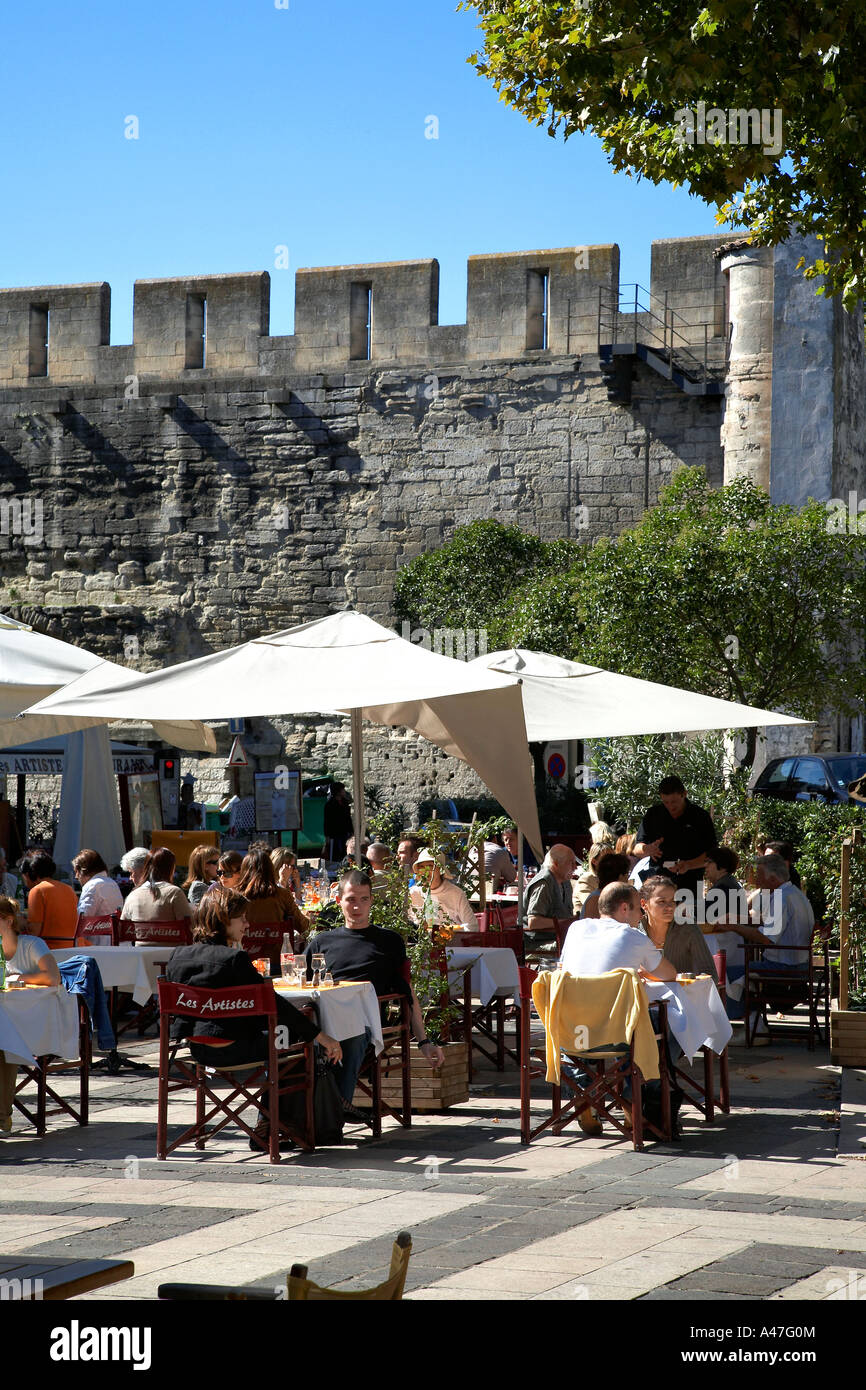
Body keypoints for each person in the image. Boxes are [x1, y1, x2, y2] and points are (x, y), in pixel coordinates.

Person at [165, 890, 342, 1151]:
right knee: (294, 1046)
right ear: (222, 920)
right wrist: (320, 1035)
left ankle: (271, 1124)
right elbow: (274, 1004)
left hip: (197, 1051)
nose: (247, 924)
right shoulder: (234, 960)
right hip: (235, 1048)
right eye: (241, 918)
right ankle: (279, 1126)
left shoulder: (178, 956)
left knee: (283, 1040)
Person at [304, 870, 444, 1120]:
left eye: (363, 899)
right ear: (339, 901)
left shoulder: (388, 941)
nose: (356, 906)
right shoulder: (321, 942)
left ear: (371, 901)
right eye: (350, 899)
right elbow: (303, 985)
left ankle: (333, 1113)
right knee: (284, 1040)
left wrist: (423, 1041)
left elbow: (406, 992)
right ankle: (282, 1119)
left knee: (352, 1035)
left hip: (364, 1023)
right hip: (321, 1022)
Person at [560, 882, 677, 1134]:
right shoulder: (632, 936)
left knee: (576, 1043)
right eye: (638, 911)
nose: (641, 917)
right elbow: (670, 973)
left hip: (572, 1033)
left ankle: (582, 1091)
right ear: (624, 908)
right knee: (651, 1027)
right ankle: (633, 1102)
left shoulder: (575, 928)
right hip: (616, 1036)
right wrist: (639, 969)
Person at [0, 896, 62, 1135]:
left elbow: (53, 977)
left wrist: (19, 979)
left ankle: (2, 1116)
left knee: (5, 1048)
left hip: (38, 1021)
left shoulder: (31, 944)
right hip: (9, 1019)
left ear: (7, 920)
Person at [634, 776, 718, 903]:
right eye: (666, 802)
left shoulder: (700, 817)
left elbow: (712, 854)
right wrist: (647, 849)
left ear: (684, 794)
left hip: (690, 884)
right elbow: (636, 849)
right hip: (657, 885)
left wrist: (688, 865)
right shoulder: (653, 815)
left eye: (674, 802)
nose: (670, 807)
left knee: (687, 921)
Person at [639, 875, 718, 983]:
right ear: (644, 904)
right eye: (661, 902)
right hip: (643, 997)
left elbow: (710, 973)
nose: (670, 907)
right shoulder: (634, 931)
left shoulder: (688, 928)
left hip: (683, 996)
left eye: (672, 901)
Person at [236, 848, 310, 944]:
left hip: (244, 954)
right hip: (277, 953)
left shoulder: (234, 896)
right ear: (270, 869)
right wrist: (311, 920)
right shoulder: (282, 894)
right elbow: (303, 927)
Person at [19, 852, 78, 948]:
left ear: (28, 874)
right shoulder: (68, 889)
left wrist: (20, 923)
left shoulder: (37, 890)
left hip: (51, 949)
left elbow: (34, 931)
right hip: (74, 945)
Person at [409, 849, 476, 930]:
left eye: (430, 866)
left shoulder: (456, 894)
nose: (425, 871)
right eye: (422, 867)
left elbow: (472, 927)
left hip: (452, 941)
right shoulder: (412, 893)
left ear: (440, 869)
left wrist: (447, 931)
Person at [120, 849, 192, 922]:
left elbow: (122, 926)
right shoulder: (174, 892)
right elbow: (189, 925)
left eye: (131, 873)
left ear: (144, 870)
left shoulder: (132, 896)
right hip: (168, 932)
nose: (130, 878)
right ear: (171, 869)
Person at [525, 845, 577, 943]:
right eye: (571, 863)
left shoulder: (564, 881)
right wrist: (563, 923)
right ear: (556, 863)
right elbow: (533, 922)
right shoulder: (544, 884)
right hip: (541, 943)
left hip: (559, 938)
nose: (575, 867)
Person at [580, 852, 632, 920]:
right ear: (620, 877)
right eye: (627, 874)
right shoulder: (596, 900)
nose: (628, 878)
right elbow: (591, 929)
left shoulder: (611, 898)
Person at [73, 850, 124, 918]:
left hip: (99, 927)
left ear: (83, 870)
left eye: (76, 872)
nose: (76, 876)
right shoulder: (112, 883)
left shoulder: (92, 885)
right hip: (113, 926)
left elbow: (83, 918)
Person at [574, 840, 615, 909]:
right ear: (594, 861)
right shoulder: (586, 879)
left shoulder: (611, 878)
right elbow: (592, 905)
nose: (611, 862)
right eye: (606, 859)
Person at [323, 782, 353, 862]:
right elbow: (327, 821)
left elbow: (348, 818)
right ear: (338, 791)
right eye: (342, 790)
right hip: (335, 833)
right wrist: (327, 836)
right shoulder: (329, 805)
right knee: (336, 853)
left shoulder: (345, 802)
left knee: (345, 851)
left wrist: (351, 831)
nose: (344, 791)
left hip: (345, 832)